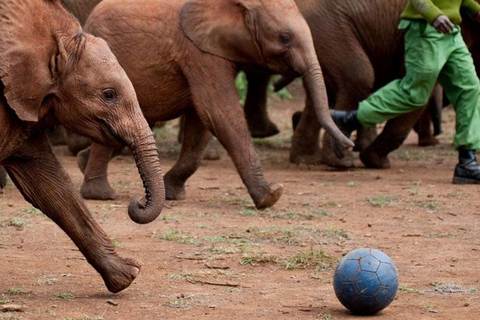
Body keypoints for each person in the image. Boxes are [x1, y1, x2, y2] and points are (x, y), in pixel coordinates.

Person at [331, 0, 480, 184]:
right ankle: (349, 119)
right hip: (426, 29)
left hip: (452, 32)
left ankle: (467, 162)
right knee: (414, 94)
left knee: (470, 88)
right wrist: (433, 14)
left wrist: (475, 10)